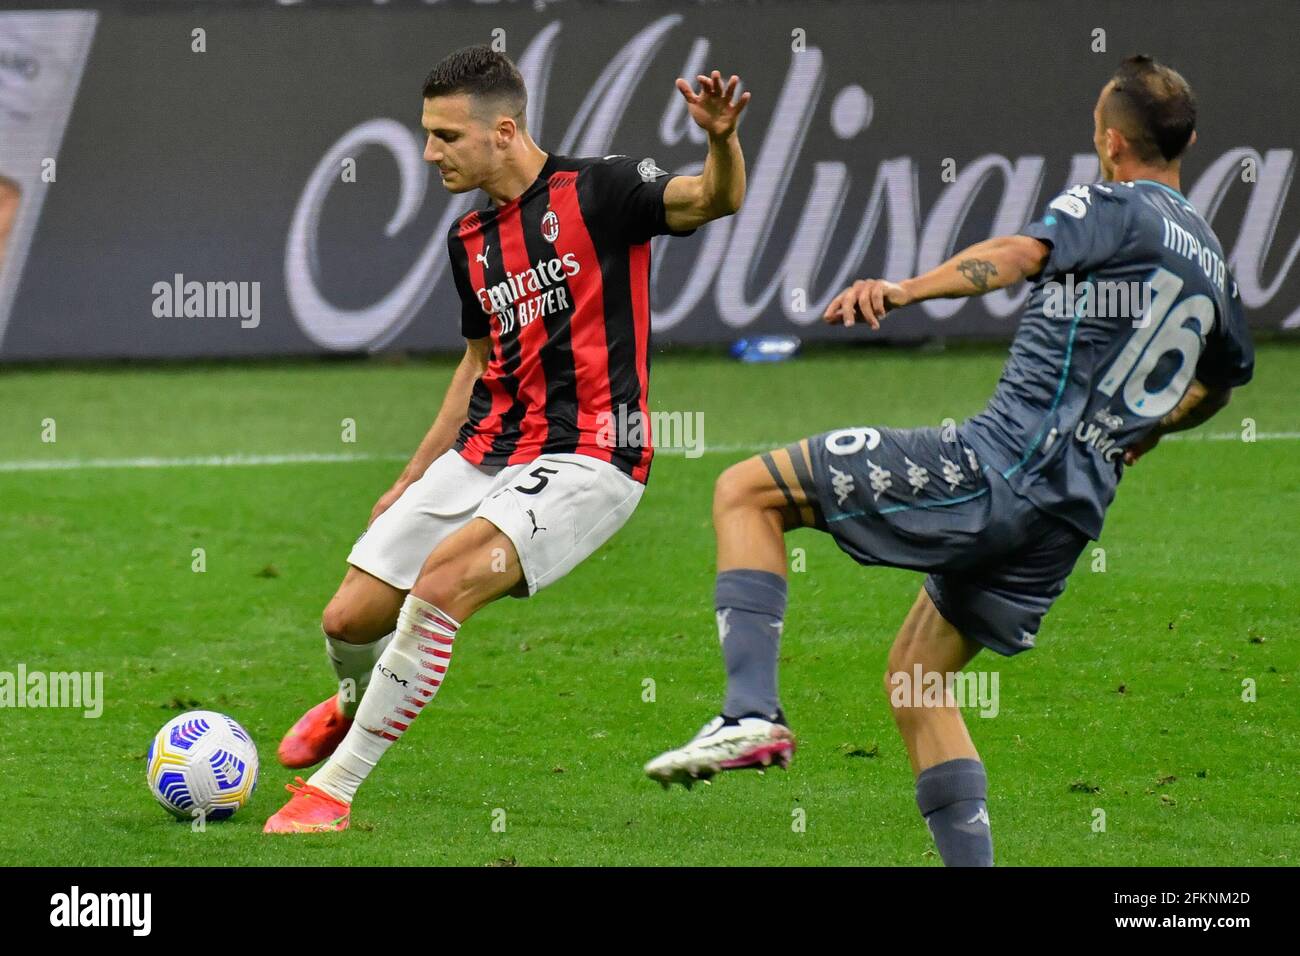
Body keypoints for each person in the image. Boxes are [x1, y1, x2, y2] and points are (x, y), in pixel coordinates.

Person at [644, 55, 1254, 867]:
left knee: (746, 492)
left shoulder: (1113, 205)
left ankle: (749, 711)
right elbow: (1221, 382)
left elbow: (1017, 254)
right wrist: (1142, 431)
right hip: (1068, 518)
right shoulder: (1210, 259)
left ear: (1110, 141)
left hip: (998, 469)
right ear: (1190, 142)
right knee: (917, 680)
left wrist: (906, 290)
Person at [265, 46, 750, 833]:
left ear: (505, 130)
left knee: (442, 583)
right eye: (426, 134)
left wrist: (721, 140)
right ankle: (351, 702)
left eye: (445, 136)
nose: (429, 153)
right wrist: (413, 475)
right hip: (485, 452)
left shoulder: (602, 189)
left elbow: (710, 201)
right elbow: (476, 367)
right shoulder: (471, 241)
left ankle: (333, 791)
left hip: (593, 455)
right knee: (348, 620)